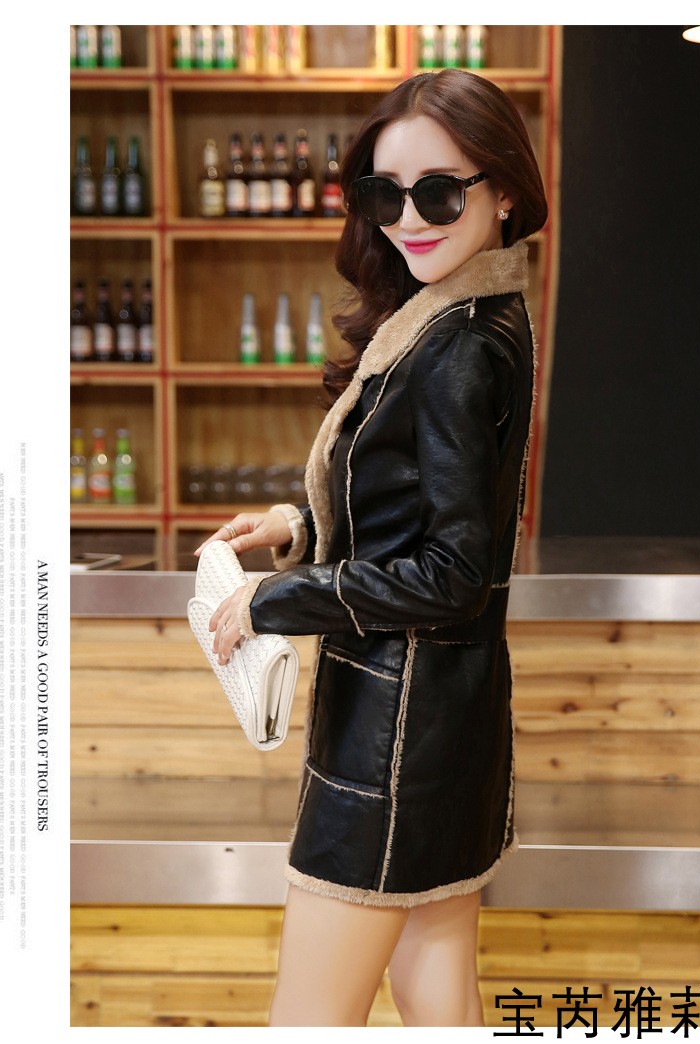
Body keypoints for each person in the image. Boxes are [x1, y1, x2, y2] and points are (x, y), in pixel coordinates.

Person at [194, 68, 548, 1027]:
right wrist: (299, 527)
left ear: (504, 191)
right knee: (438, 999)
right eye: (385, 195)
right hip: (447, 721)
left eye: (439, 191)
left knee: (309, 1020)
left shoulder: (457, 344)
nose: (409, 219)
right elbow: (422, 516)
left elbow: (452, 573)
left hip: (391, 740)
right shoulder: (478, 316)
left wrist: (276, 598)